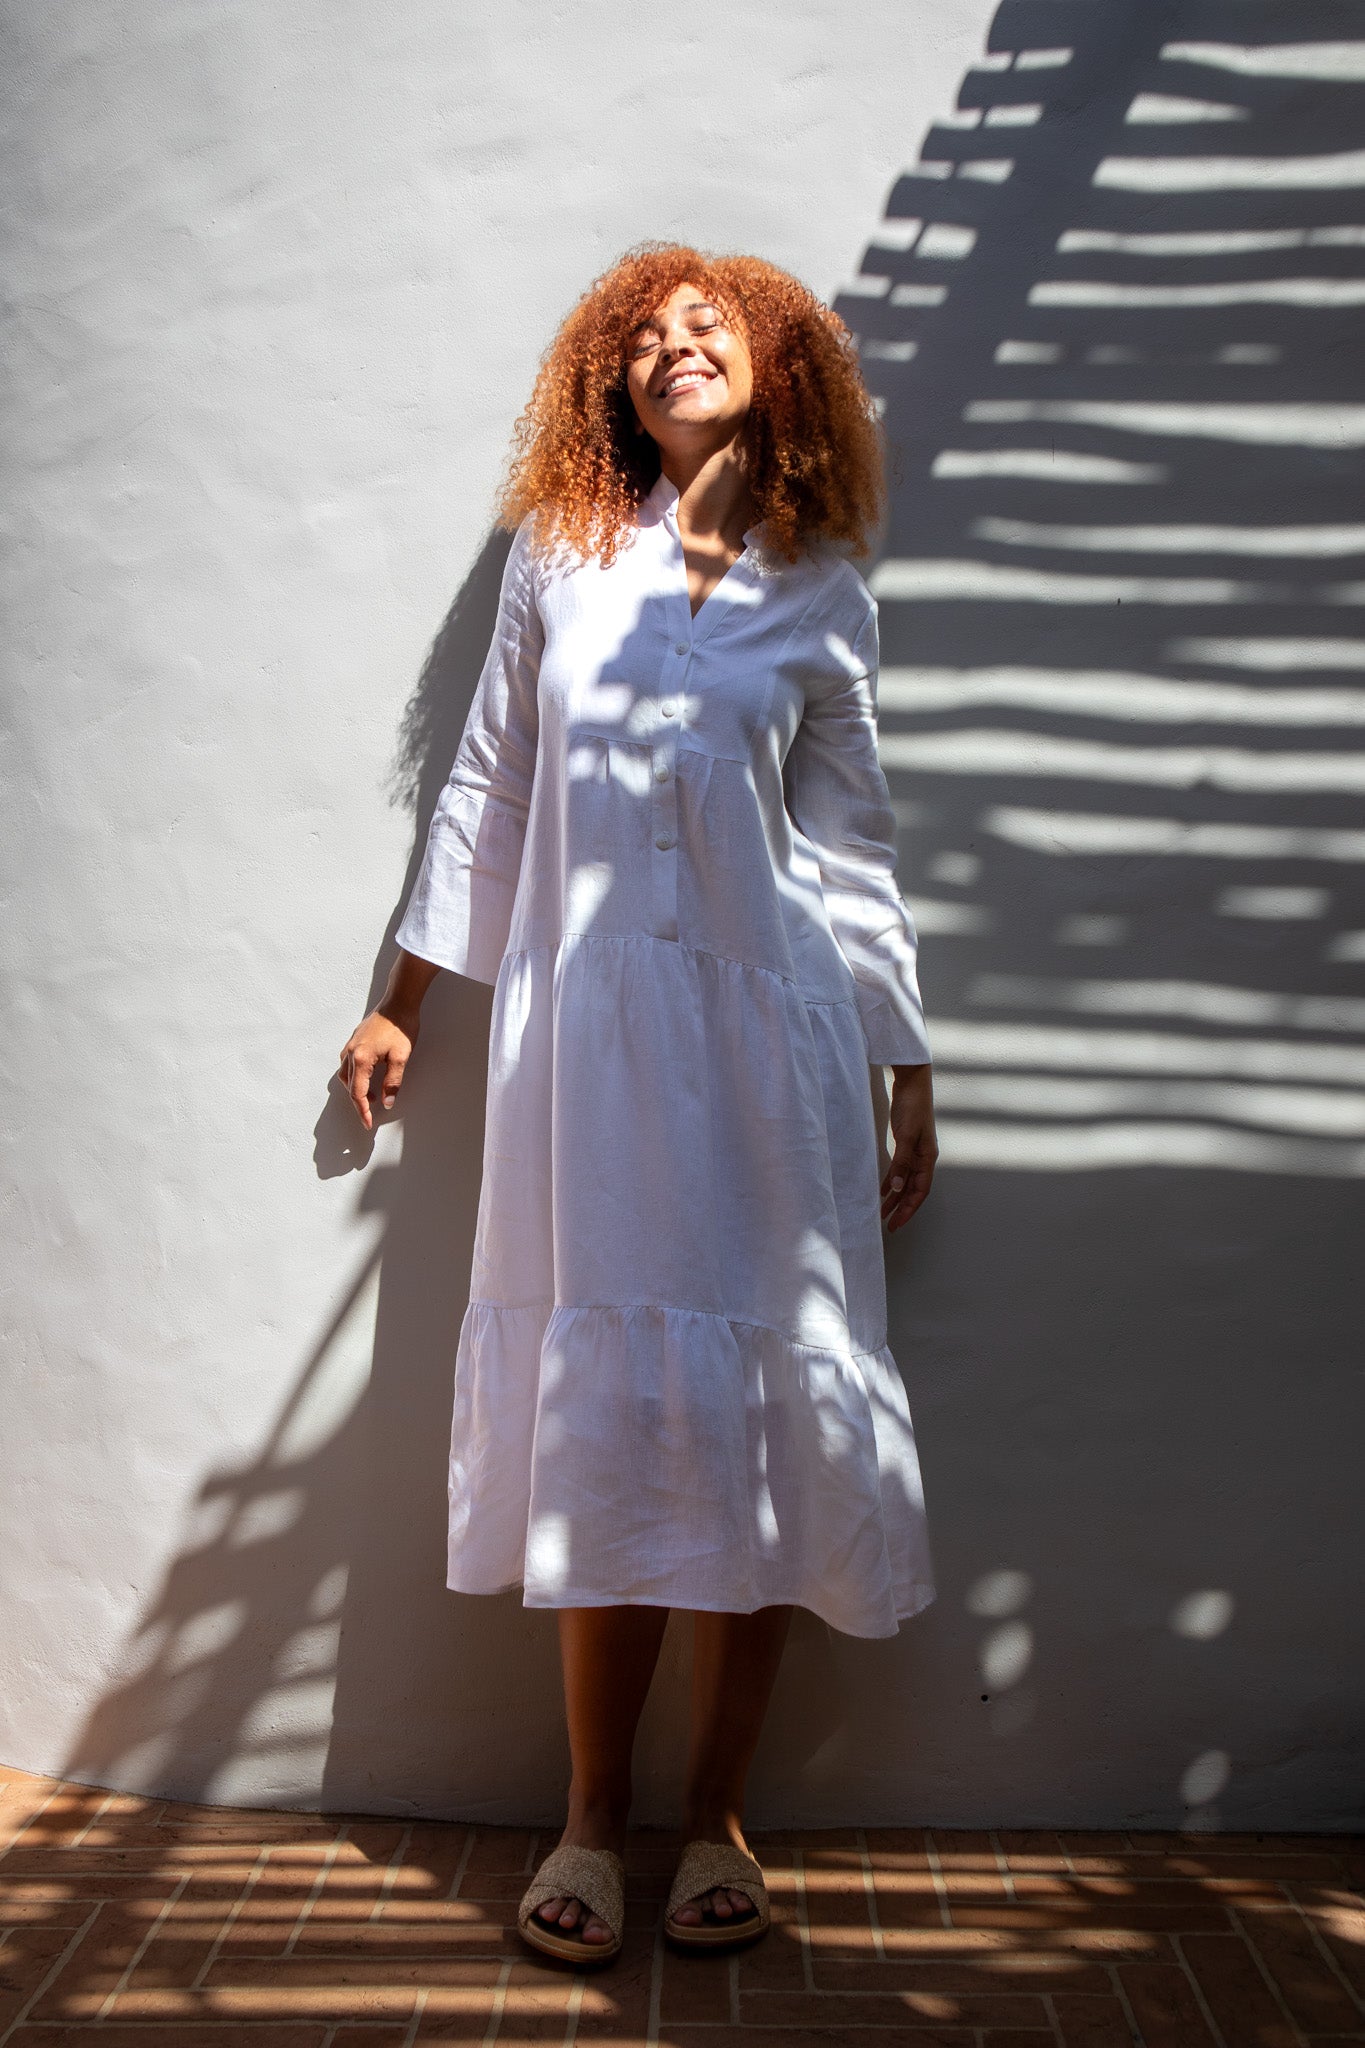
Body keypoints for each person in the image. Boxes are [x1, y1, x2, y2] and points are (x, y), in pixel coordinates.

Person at [338, 243, 938, 1967]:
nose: (678, 347)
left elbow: (853, 848)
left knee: (755, 1407)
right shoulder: (564, 553)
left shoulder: (820, 585)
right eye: (649, 335)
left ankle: (717, 1817)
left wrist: (904, 1061)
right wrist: (397, 1006)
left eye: (713, 327)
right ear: (612, 379)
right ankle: (593, 1817)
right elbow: (486, 788)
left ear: (780, 373)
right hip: (588, 1047)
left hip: (776, 1048)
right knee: (607, 1409)